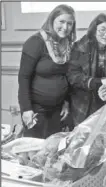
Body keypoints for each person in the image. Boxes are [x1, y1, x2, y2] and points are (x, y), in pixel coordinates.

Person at [18, 4, 76, 139]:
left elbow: (67, 76)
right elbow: (23, 78)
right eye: (61, 22)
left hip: (58, 110)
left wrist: (66, 102)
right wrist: (26, 109)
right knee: (34, 152)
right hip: (36, 109)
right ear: (52, 20)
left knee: (52, 151)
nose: (65, 27)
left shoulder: (68, 44)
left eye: (70, 23)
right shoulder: (35, 42)